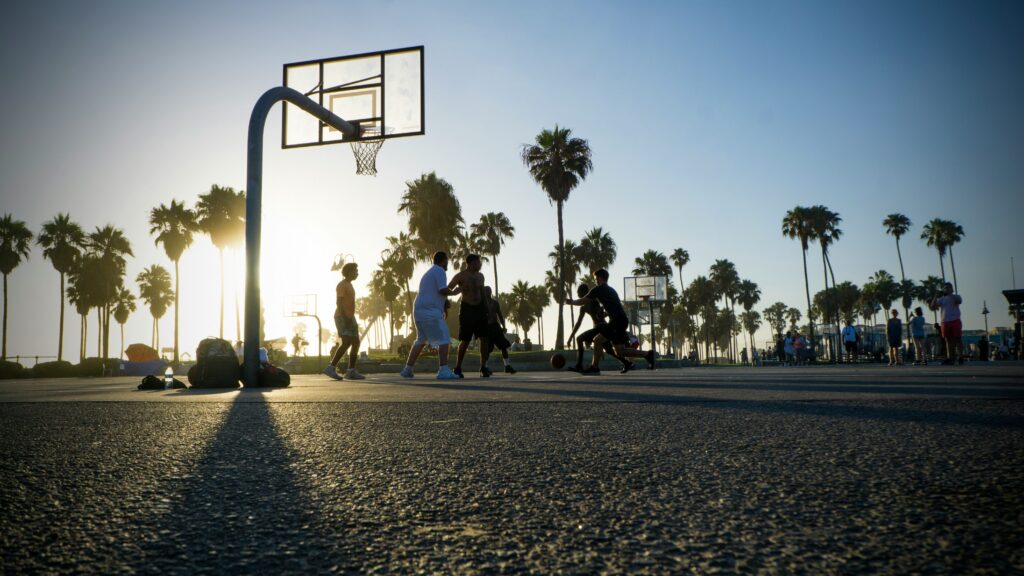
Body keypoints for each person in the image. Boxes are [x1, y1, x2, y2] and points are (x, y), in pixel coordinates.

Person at [566, 269, 655, 375]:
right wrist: (605, 314)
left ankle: (594, 368)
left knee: (598, 340)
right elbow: (614, 306)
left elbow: (583, 300)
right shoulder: (611, 290)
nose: (595, 281)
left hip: (616, 321)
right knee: (620, 351)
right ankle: (647, 354)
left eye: (595, 279)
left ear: (599, 278)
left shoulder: (599, 289)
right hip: (622, 320)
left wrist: (572, 302)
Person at [400, 251, 460, 379]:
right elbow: (442, 289)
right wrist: (455, 292)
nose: (447, 263)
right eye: (447, 261)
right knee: (444, 338)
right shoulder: (439, 270)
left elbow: (435, 293)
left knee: (421, 340)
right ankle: (443, 370)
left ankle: (407, 369)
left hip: (419, 311)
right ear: (443, 260)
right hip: (429, 311)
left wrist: (444, 304)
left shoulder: (430, 272)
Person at [566, 283, 627, 372]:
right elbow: (578, 323)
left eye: (579, 292)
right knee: (609, 350)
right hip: (597, 329)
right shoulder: (583, 308)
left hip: (602, 326)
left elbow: (603, 309)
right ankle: (627, 363)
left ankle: (579, 365)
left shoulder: (593, 301)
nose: (578, 294)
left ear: (585, 292)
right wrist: (571, 337)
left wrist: (602, 313)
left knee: (579, 339)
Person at [447, 254, 491, 377]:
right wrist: (458, 290)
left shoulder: (480, 276)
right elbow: (448, 289)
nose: (480, 264)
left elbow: (482, 292)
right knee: (465, 340)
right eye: (478, 262)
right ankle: (458, 368)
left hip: (480, 309)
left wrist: (486, 307)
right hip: (467, 309)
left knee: (484, 338)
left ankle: (483, 367)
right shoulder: (460, 276)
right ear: (471, 263)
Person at [323, 262, 365, 380]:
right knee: (347, 342)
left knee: (355, 342)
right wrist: (345, 317)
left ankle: (350, 370)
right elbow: (339, 302)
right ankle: (331, 367)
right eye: (355, 271)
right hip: (342, 316)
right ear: (349, 272)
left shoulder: (350, 285)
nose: (357, 273)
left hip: (350, 317)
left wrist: (349, 317)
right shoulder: (342, 285)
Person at [482, 286, 516, 374]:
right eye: (486, 291)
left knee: (503, 346)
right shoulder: (481, 303)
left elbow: (500, 315)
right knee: (488, 349)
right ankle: (485, 367)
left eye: (489, 291)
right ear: (483, 292)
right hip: (486, 327)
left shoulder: (495, 303)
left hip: (496, 327)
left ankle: (507, 366)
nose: (488, 292)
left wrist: (503, 326)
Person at [930, 282, 964, 365]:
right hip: (945, 322)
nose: (946, 289)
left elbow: (959, 301)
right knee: (948, 340)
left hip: (955, 320)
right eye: (945, 288)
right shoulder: (941, 299)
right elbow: (932, 306)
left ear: (952, 289)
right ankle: (950, 358)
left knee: (957, 339)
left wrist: (950, 294)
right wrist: (935, 296)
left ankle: (960, 357)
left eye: (948, 287)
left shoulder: (956, 296)